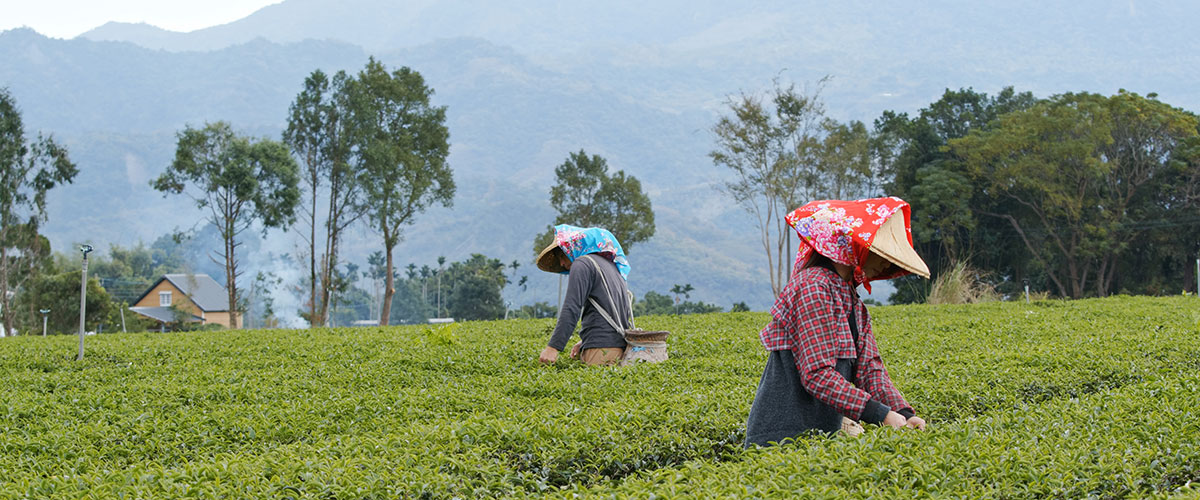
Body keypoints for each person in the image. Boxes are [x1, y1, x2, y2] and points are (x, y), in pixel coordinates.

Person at [745, 197, 930, 447]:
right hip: (781, 439)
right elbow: (817, 374)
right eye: (882, 252)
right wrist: (881, 415)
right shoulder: (813, 287)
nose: (887, 263)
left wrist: (905, 414)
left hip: (822, 439)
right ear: (857, 245)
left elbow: (870, 369)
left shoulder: (851, 299)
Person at [535, 224, 632, 366]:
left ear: (572, 248)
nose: (561, 263)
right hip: (620, 346)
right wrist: (586, 339)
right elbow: (613, 309)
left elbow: (572, 308)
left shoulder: (582, 264)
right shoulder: (611, 266)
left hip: (601, 350)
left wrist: (553, 348)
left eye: (562, 256)